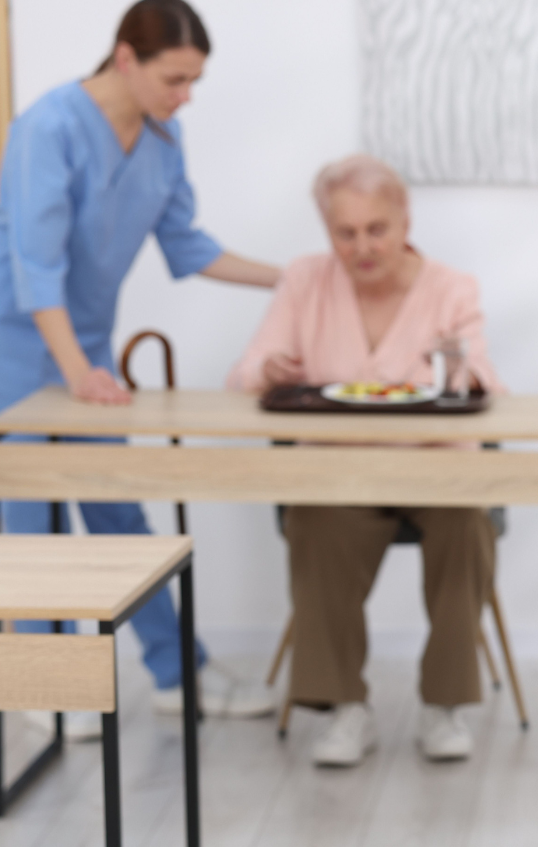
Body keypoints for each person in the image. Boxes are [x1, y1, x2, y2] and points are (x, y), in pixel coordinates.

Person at [0, 0, 281, 728]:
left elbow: (187, 247)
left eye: (194, 81)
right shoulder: (48, 128)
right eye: (175, 78)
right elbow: (36, 267)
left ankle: (174, 670)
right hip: (20, 345)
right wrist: (76, 371)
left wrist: (290, 276)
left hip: (85, 349)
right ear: (126, 57)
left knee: (118, 506)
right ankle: (47, 686)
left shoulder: (163, 139)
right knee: (28, 514)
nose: (185, 95)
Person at [226, 154, 504, 767]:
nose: (362, 247)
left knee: (466, 526)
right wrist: (268, 369)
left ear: (404, 221)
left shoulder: (451, 287)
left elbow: (485, 379)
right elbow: (247, 371)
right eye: (345, 234)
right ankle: (343, 707)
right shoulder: (304, 280)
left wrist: (459, 369)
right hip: (338, 474)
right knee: (314, 522)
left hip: (437, 470)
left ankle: (444, 703)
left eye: (376, 230)